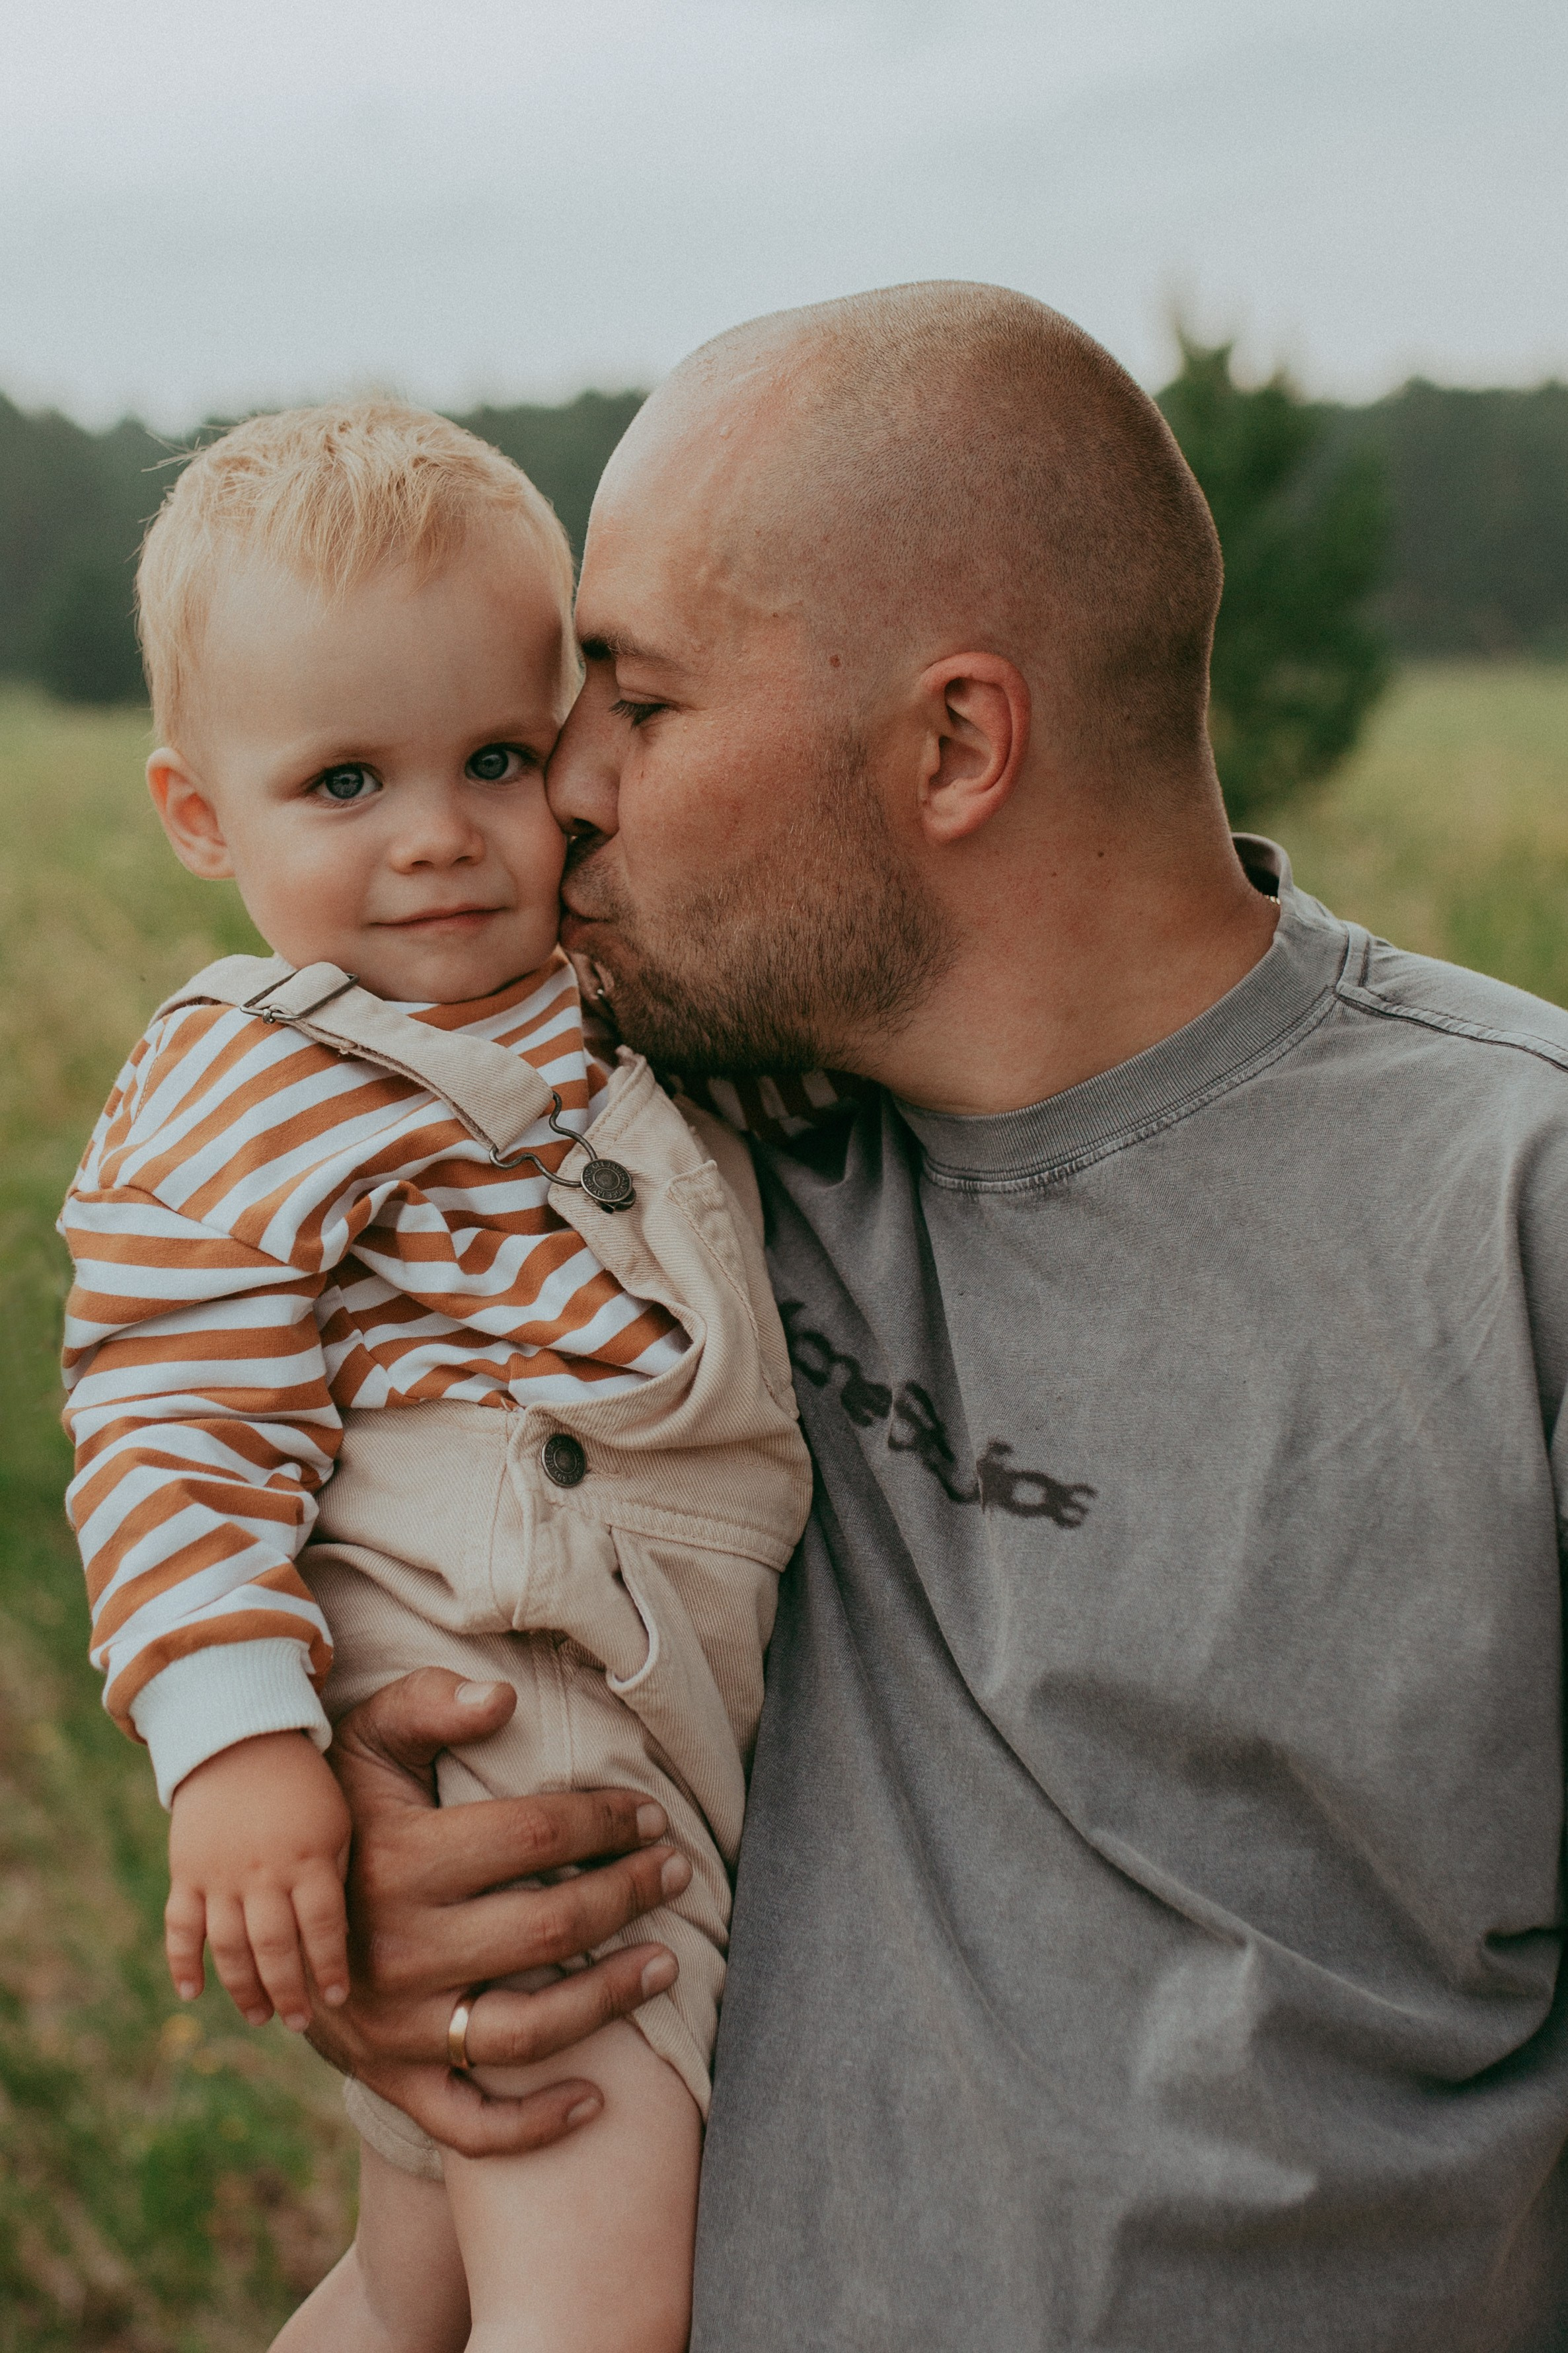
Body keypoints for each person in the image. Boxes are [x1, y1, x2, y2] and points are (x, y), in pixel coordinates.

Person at [305, 282, 1568, 2352]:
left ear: (958, 743)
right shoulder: (629, 1168)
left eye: (639, 699)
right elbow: (202, 1357)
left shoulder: (1521, 1217)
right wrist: (335, 1829)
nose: (567, 789)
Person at [57, 400, 812, 2353]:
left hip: (654, 1683)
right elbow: (164, 1416)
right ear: (199, 815)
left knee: (415, 2281)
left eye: (494, 755)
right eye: (342, 782)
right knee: (604, 2294)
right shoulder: (253, 1074)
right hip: (518, 1712)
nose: (438, 836)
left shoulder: (606, 995)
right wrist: (233, 1747)